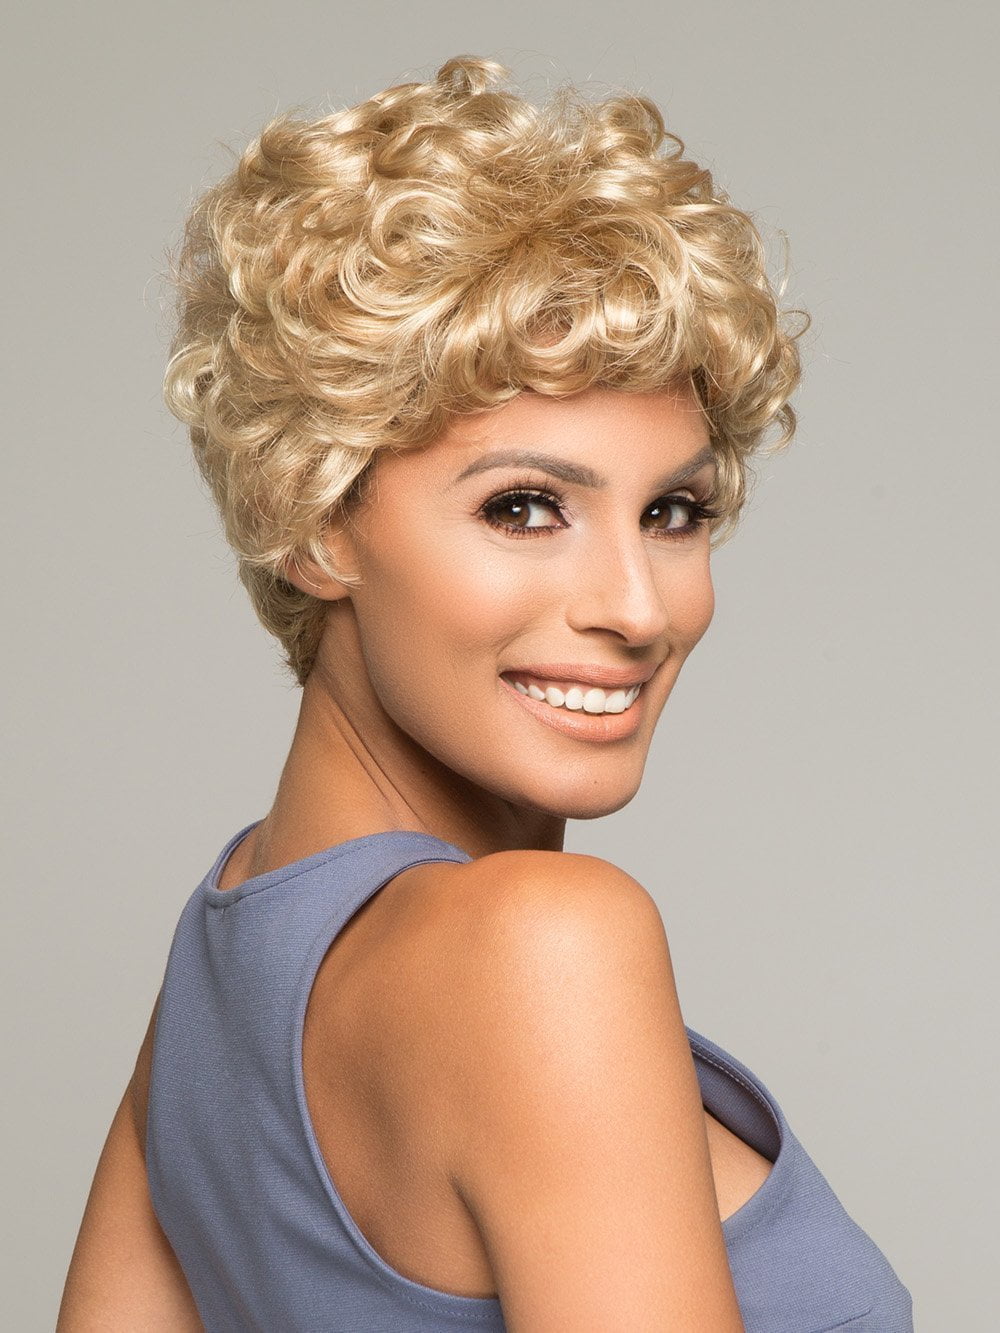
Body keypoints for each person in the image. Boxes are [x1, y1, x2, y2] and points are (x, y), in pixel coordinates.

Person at [58, 54, 913, 1331]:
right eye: (525, 507)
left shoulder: (213, 985)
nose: (637, 606)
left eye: (673, 512)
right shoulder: (547, 945)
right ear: (311, 518)